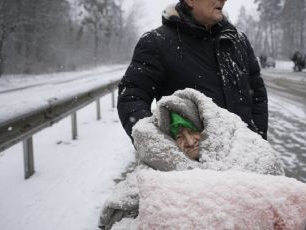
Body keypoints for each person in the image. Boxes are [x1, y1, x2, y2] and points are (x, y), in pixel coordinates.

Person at [99, 89, 285, 229]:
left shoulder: (240, 150)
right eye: (179, 136)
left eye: (192, 131)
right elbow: (117, 211)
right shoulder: (158, 168)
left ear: (205, 128)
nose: (188, 141)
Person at [117, 0, 269, 142]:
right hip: (192, 166)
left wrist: (257, 139)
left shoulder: (238, 42)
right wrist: (161, 146)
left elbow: (257, 95)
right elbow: (131, 97)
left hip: (243, 160)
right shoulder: (156, 42)